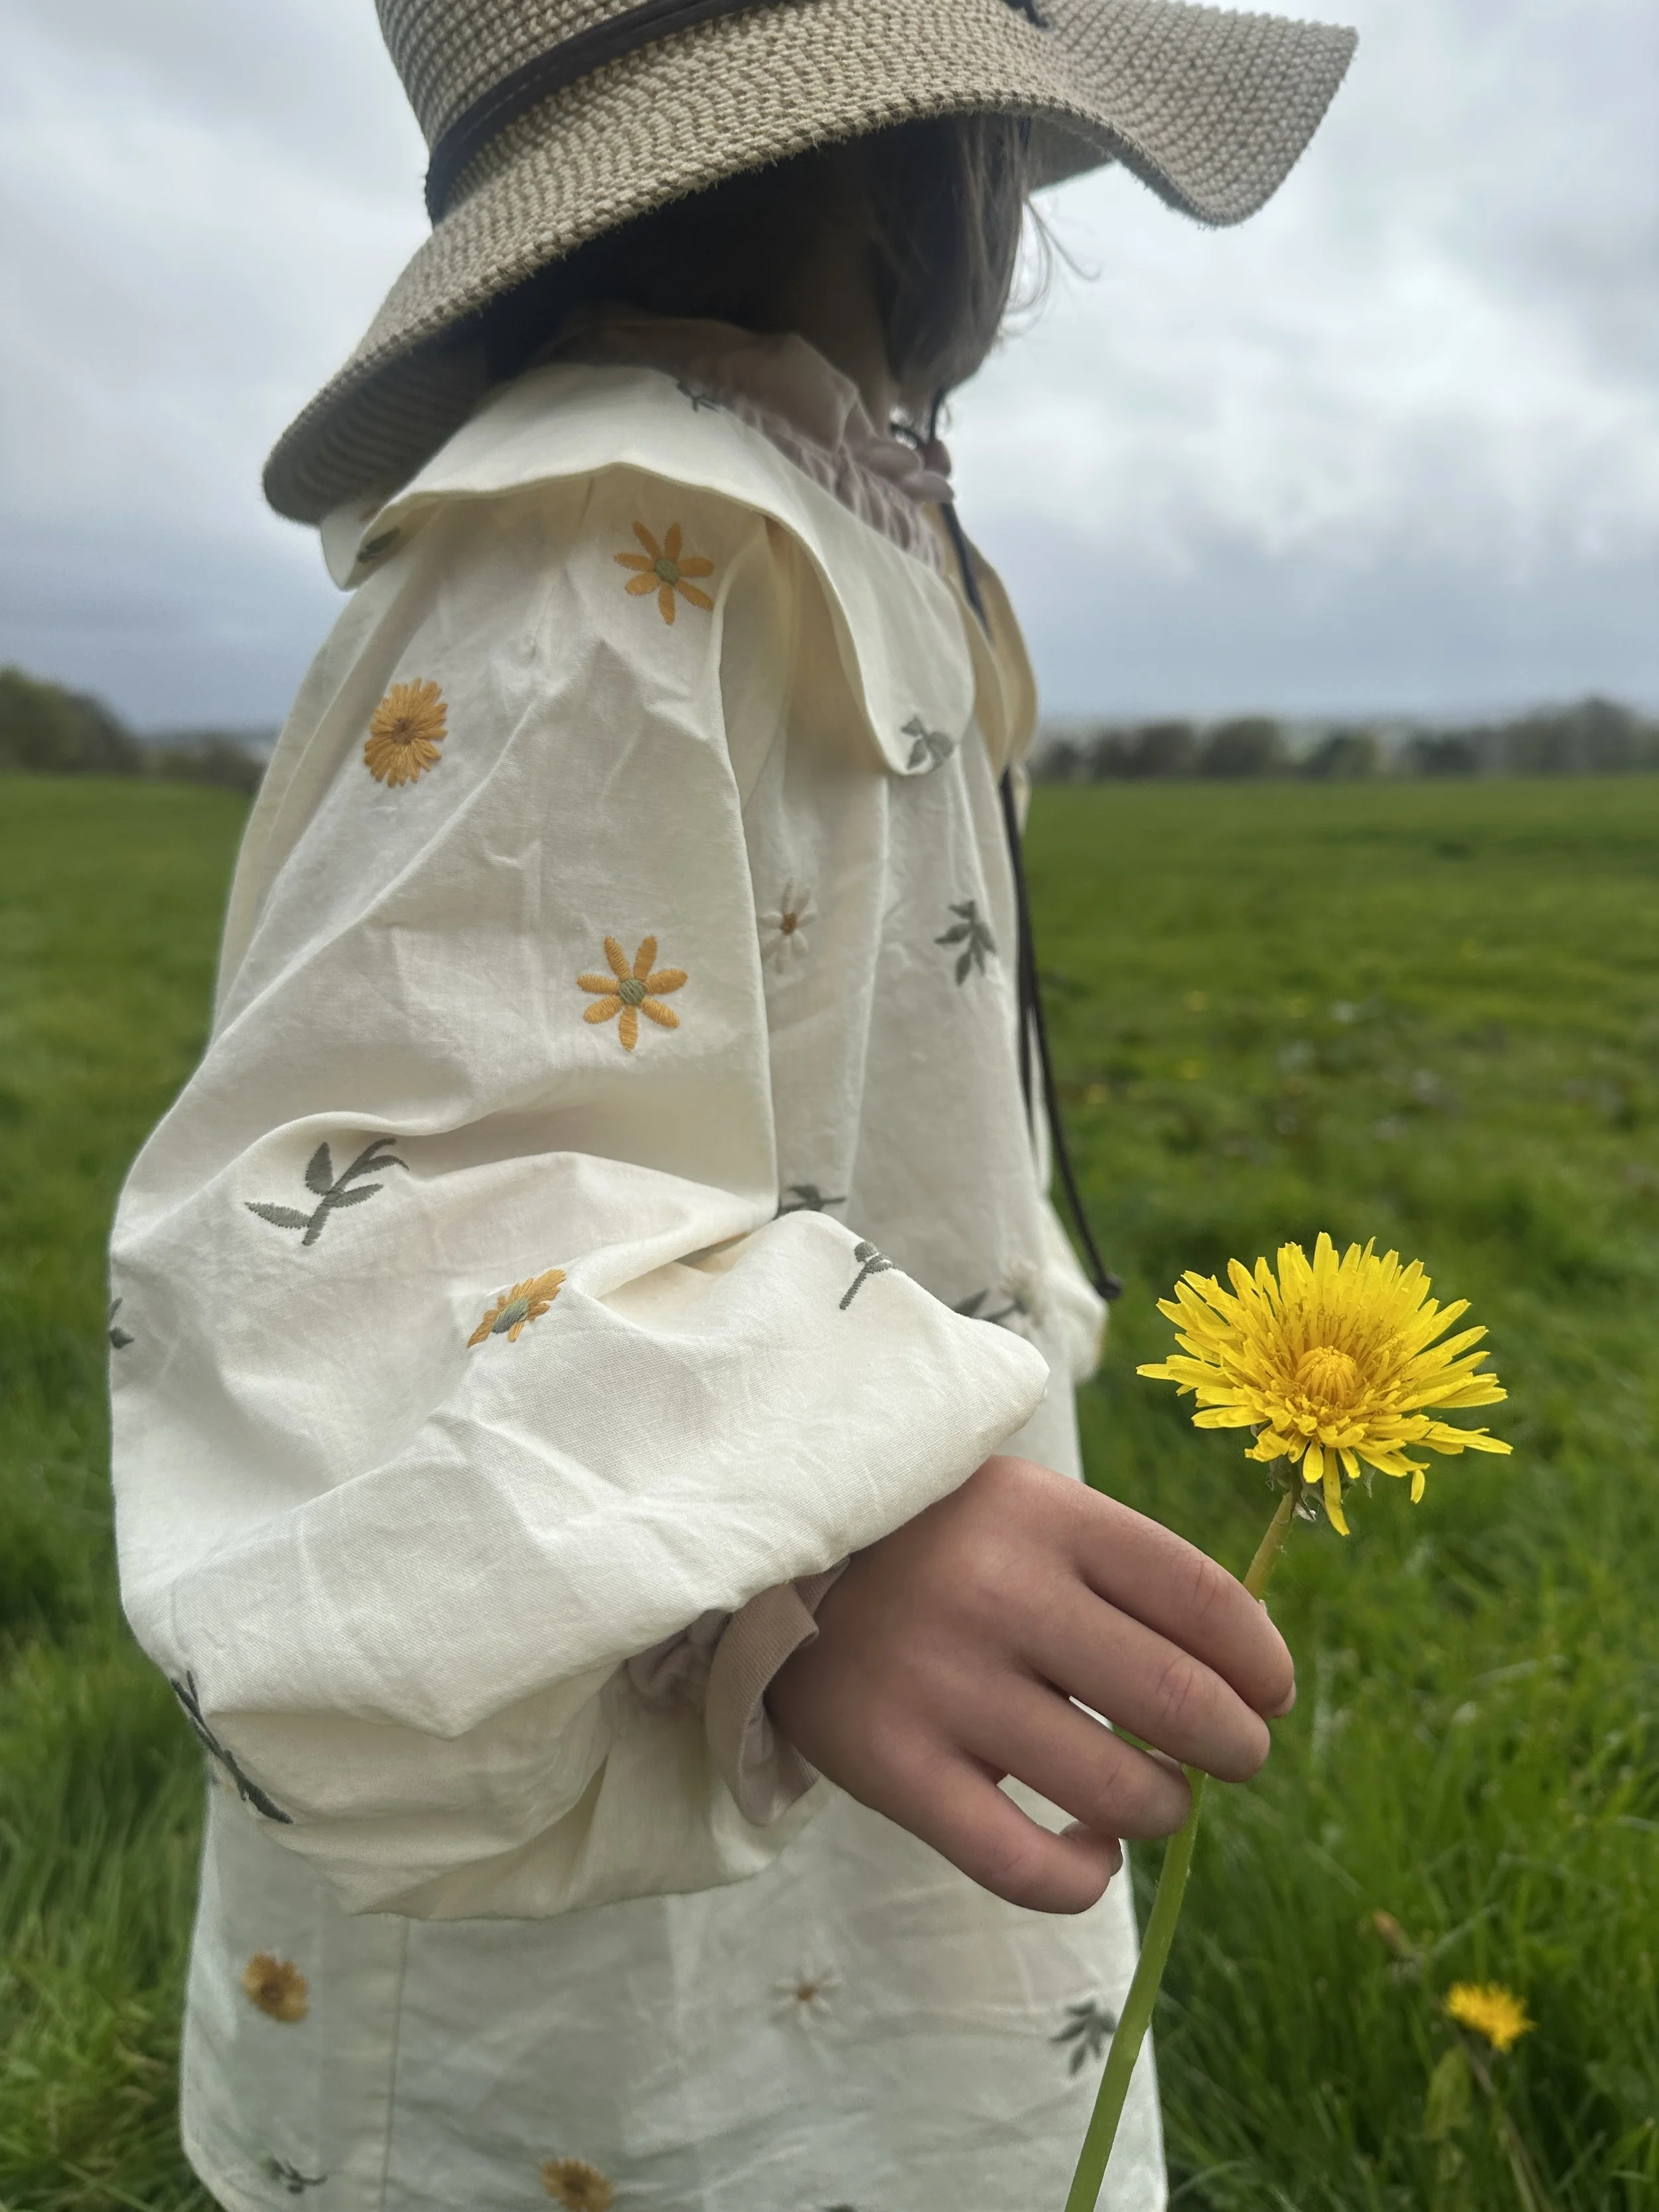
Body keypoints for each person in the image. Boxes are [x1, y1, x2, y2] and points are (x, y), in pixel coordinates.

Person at [109, 2, 1354, 2205]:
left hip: (838, 1690)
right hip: (614, 1702)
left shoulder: (830, 523)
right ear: (951, 156)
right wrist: (822, 1529)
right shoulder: (597, 543)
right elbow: (330, 1228)